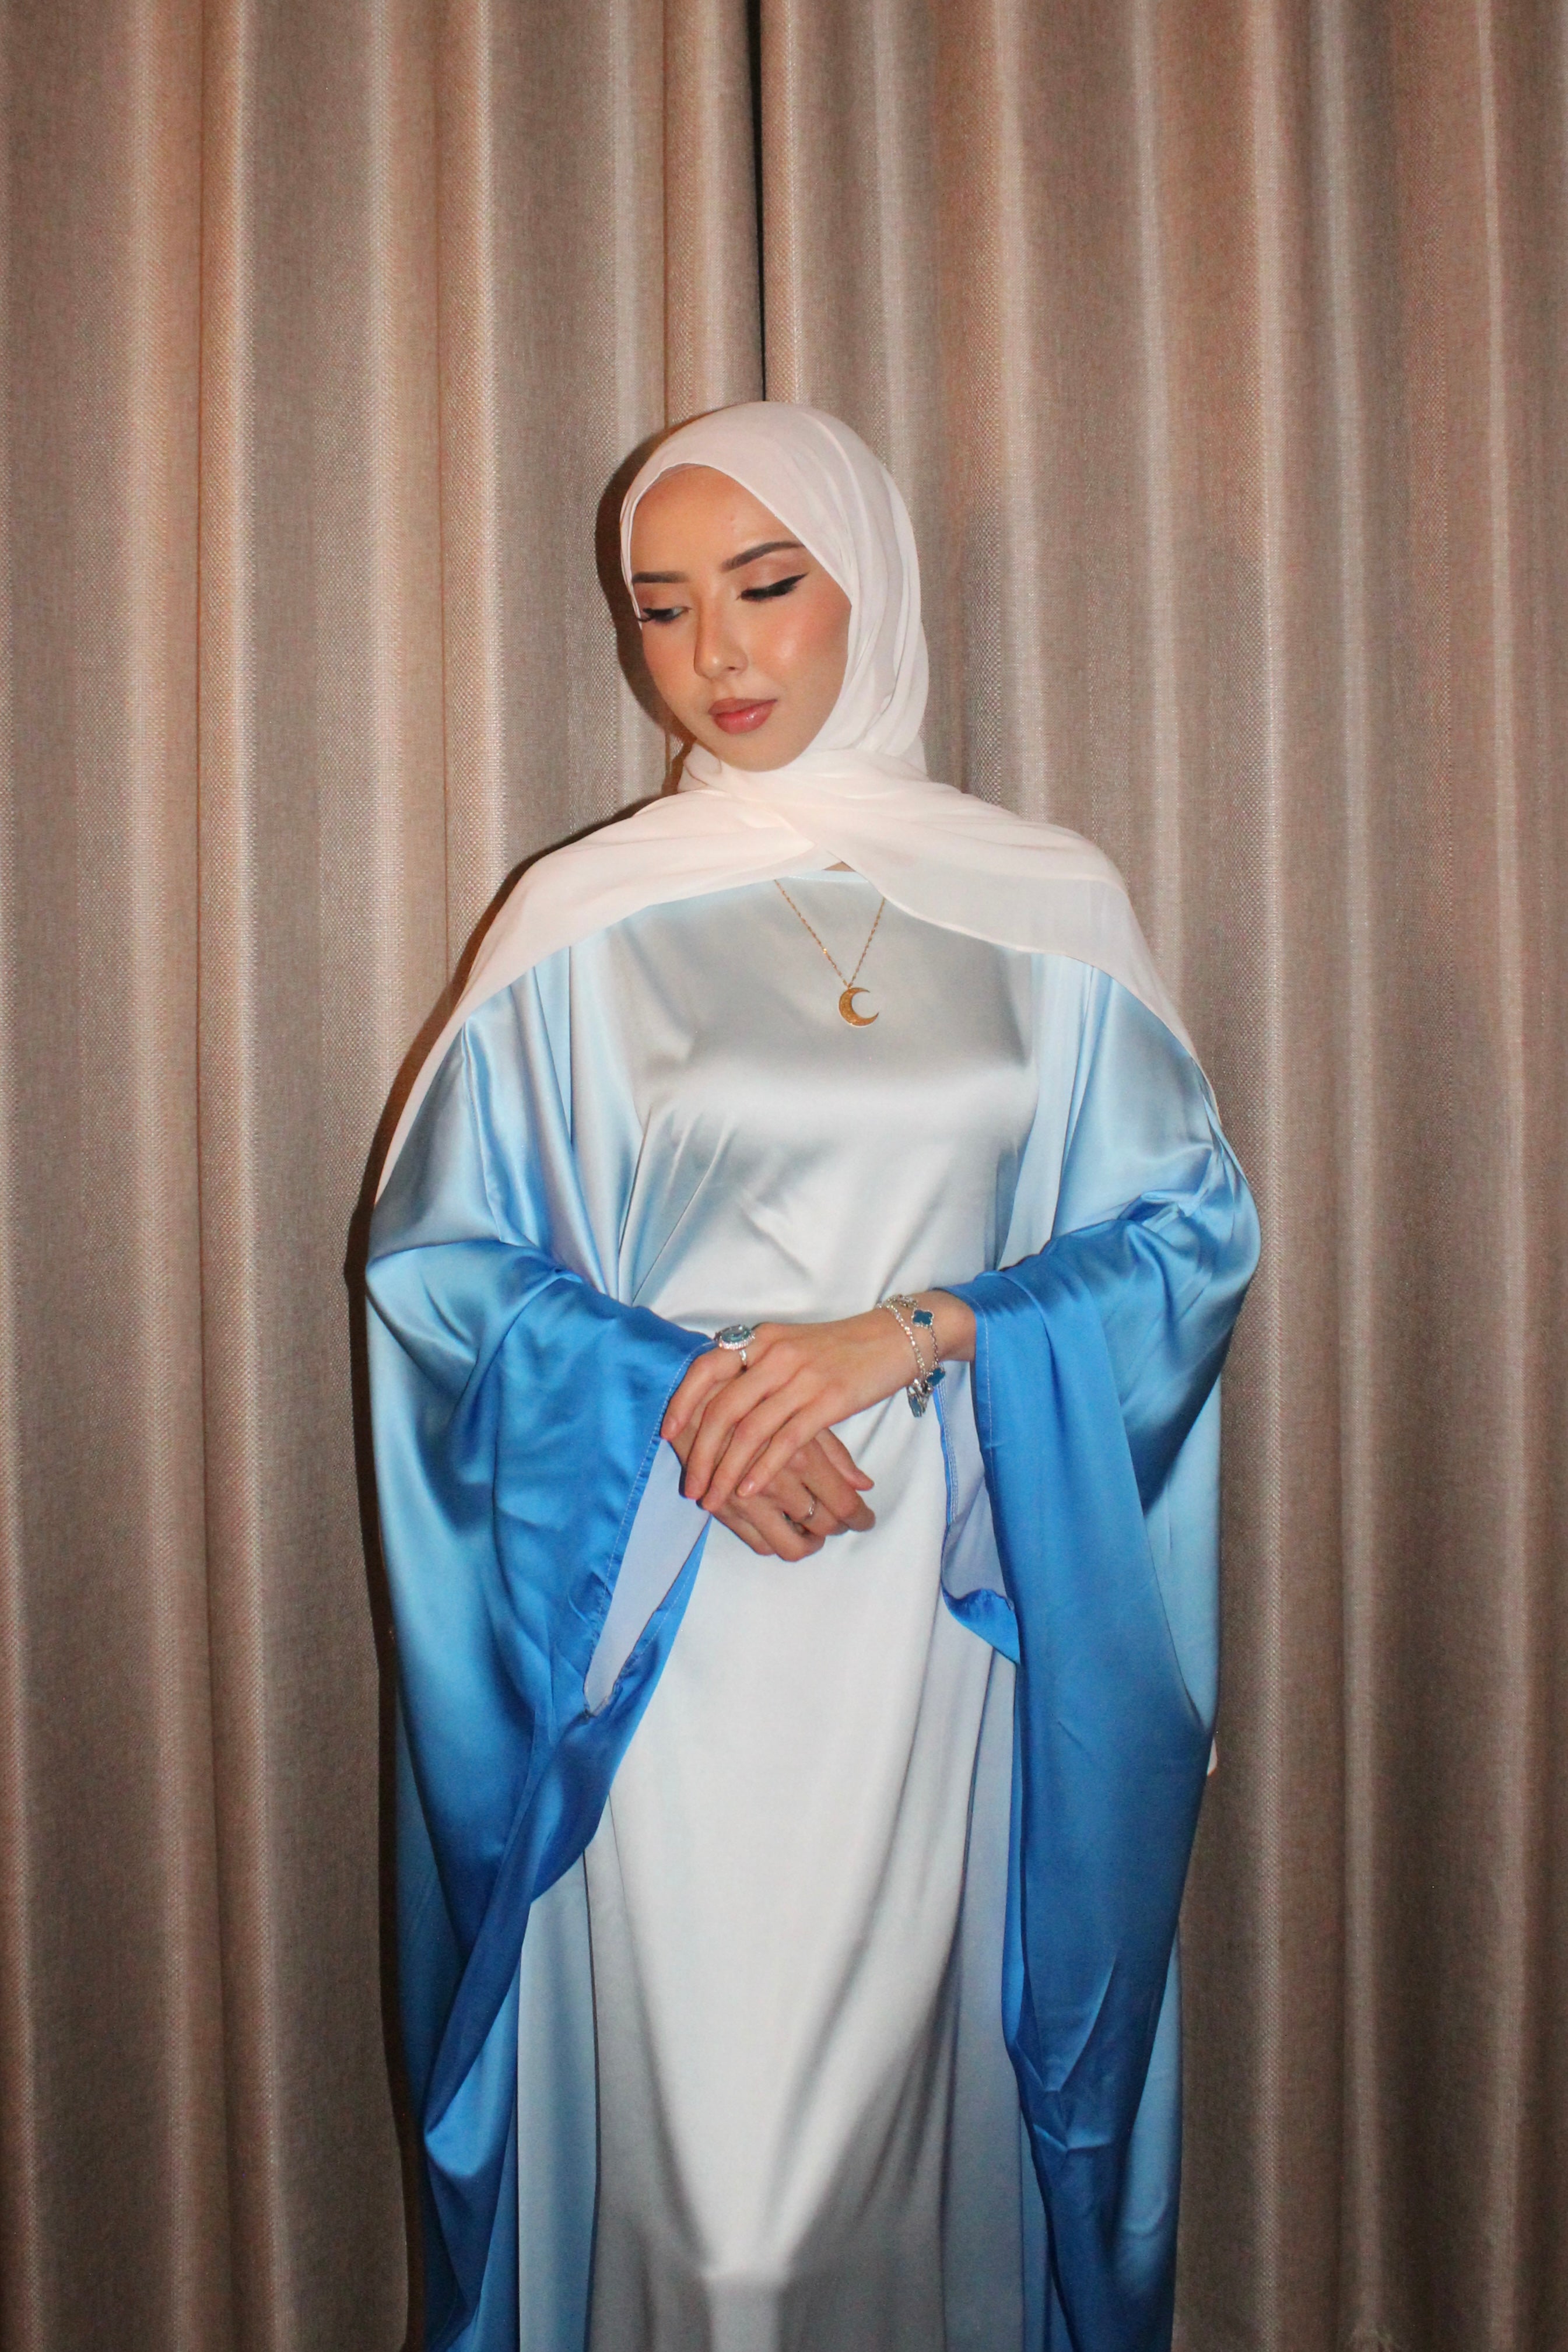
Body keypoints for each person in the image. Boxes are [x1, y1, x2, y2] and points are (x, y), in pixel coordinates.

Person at [366, 402, 1259, 2352]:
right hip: (665, 1611)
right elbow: (441, 1270)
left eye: (766, 586)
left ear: (870, 583)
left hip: (943, 1601)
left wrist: (916, 1328)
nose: (718, 653)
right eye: (661, 605)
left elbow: (1183, 1236)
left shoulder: (1044, 905)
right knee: (721, 2205)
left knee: (898, 2151)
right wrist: (681, 1394)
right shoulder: (578, 920)